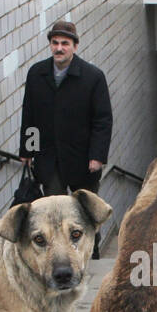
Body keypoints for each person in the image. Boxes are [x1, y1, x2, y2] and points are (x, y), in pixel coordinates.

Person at [20, 20, 113, 255]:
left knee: (86, 210)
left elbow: (102, 120)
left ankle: (91, 253)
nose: (59, 48)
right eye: (55, 43)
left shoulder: (93, 77)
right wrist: (27, 150)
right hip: (50, 159)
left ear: (75, 46)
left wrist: (97, 156)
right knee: (56, 211)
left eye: (65, 43)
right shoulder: (37, 74)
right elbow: (29, 114)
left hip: (83, 159)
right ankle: (60, 255)